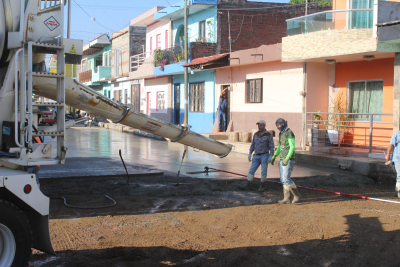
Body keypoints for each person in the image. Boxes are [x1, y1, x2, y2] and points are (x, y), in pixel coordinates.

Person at [271, 118, 301, 204]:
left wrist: (287, 158)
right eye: (277, 126)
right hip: (281, 159)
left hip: (288, 160)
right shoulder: (281, 133)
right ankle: (286, 198)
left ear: (283, 124)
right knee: (283, 179)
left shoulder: (289, 133)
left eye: (279, 125)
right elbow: (280, 146)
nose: (278, 127)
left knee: (286, 179)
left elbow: (292, 146)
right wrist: (275, 155)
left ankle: (297, 195)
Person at [239, 120, 274, 191]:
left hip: (264, 155)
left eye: (260, 125)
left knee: (264, 171)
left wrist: (271, 155)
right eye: (258, 125)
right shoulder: (255, 134)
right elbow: (253, 144)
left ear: (264, 125)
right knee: (252, 170)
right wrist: (250, 153)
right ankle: (247, 184)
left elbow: (271, 146)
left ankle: (262, 185)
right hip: (256, 155)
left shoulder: (269, 135)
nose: (259, 127)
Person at [385, 131, 400, 198]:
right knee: (399, 175)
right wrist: (388, 155)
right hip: (397, 159)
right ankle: (398, 191)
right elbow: (391, 145)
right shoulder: (396, 135)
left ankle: (397, 191)